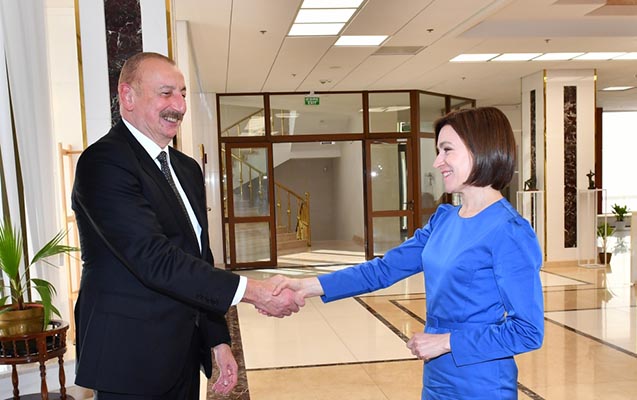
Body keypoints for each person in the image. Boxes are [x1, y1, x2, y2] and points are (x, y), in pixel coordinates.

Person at [71, 52, 304, 399]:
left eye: (182, 94)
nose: (179, 106)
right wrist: (254, 291)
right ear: (128, 96)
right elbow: (154, 258)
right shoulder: (104, 162)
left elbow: (197, 259)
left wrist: (218, 340)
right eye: (166, 93)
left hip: (181, 353)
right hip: (129, 358)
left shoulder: (186, 168)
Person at [271, 107, 544, 399]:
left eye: (447, 150)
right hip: (437, 375)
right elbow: (384, 269)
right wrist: (307, 286)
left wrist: (447, 342)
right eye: (438, 151)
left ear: (481, 150)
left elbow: (527, 330)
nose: (437, 162)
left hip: (481, 382)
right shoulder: (444, 220)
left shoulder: (509, 231)